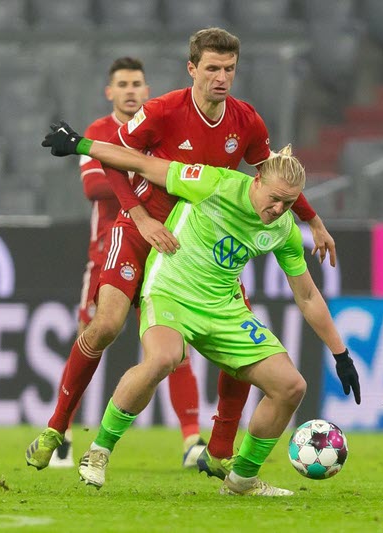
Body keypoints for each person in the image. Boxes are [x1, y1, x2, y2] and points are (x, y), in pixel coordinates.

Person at [25, 27, 338, 475]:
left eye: (229, 69)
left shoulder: (247, 121)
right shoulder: (163, 111)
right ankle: (57, 428)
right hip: (141, 231)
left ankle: (218, 449)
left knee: (239, 334)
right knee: (108, 324)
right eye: (212, 68)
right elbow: (119, 157)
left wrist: (311, 219)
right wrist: (139, 216)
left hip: (195, 247)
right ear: (192, 68)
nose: (221, 78)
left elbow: (274, 180)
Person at [41, 121, 362, 495]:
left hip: (224, 309)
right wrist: (80, 145)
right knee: (162, 359)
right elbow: (142, 165)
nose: (278, 209)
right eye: (274, 198)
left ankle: (241, 480)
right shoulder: (213, 183)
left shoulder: (284, 229)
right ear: (256, 181)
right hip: (171, 291)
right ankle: (99, 451)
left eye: (289, 203)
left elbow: (307, 296)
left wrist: (341, 353)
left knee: (291, 386)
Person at [46, 57, 205, 468]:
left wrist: (135, 167)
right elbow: (94, 185)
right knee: (96, 331)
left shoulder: (161, 127)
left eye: (138, 83)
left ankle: (192, 441)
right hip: (109, 250)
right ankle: (62, 430)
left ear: (148, 91)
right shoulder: (99, 133)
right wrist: (150, 171)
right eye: (123, 84)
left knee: (174, 348)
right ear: (110, 92)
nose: (131, 90)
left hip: (164, 250)